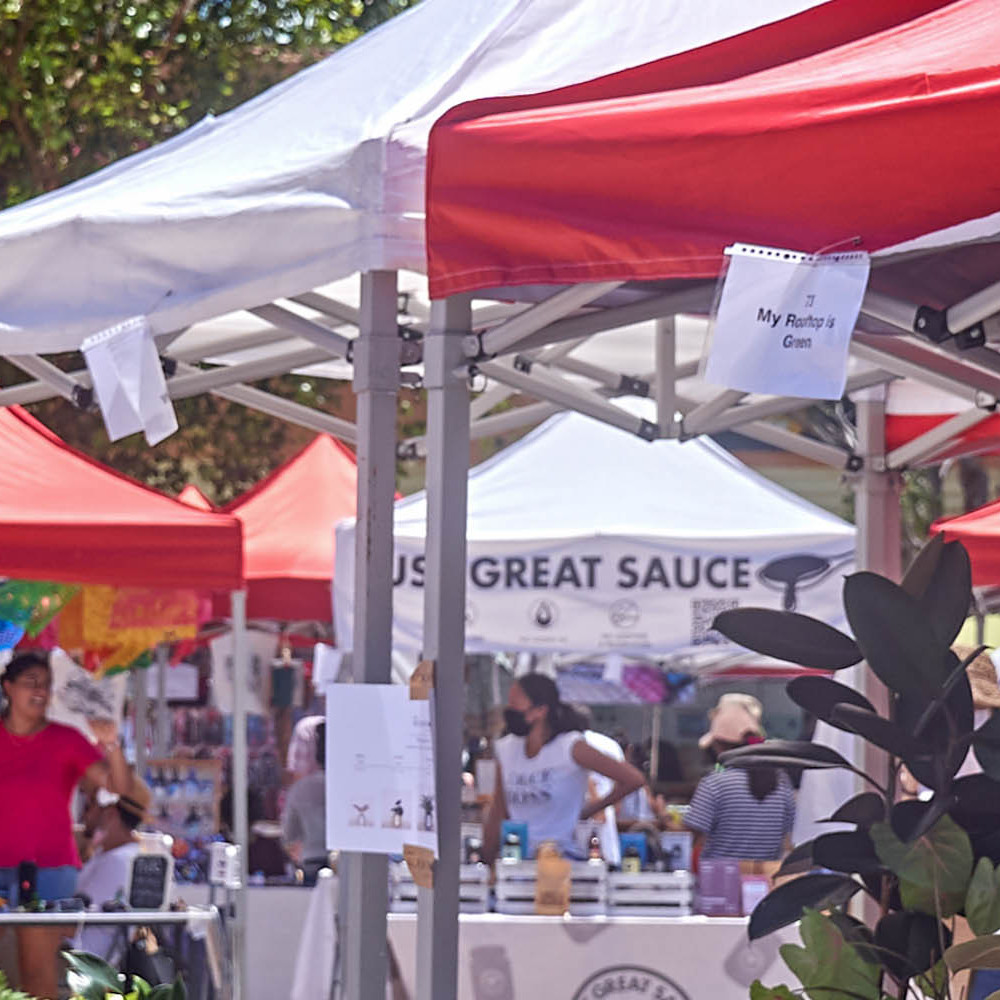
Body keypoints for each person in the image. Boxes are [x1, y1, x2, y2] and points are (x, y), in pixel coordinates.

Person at [0, 650, 131, 999]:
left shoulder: (66, 739)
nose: (40, 691)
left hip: (50, 869)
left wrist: (111, 744)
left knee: (38, 971)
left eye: (46, 684)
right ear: (8, 687)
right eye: (31, 683)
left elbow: (118, 787)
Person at [483, 675, 643, 862]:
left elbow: (633, 779)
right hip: (517, 861)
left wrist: (588, 811)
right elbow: (498, 809)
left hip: (563, 859)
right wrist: (486, 858)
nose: (509, 711)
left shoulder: (570, 747)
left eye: (515, 705)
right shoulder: (506, 748)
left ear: (540, 710)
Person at [684, 693, 794, 860]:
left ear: (720, 746)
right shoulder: (781, 781)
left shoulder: (715, 784)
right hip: (766, 879)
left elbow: (693, 836)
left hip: (720, 880)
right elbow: (788, 835)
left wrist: (663, 818)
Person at [75, 776, 156, 963]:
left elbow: (75, 921)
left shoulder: (118, 861)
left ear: (111, 814)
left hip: (86, 964)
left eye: (89, 806)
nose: (84, 816)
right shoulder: (116, 855)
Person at [573, 705, 624, 867]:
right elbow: (620, 788)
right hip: (605, 817)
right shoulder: (609, 744)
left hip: (578, 818)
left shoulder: (571, 744)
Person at [282, 721, 327, 884]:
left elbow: (289, 834)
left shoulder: (301, 789)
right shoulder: (348, 786)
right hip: (348, 865)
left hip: (312, 863)